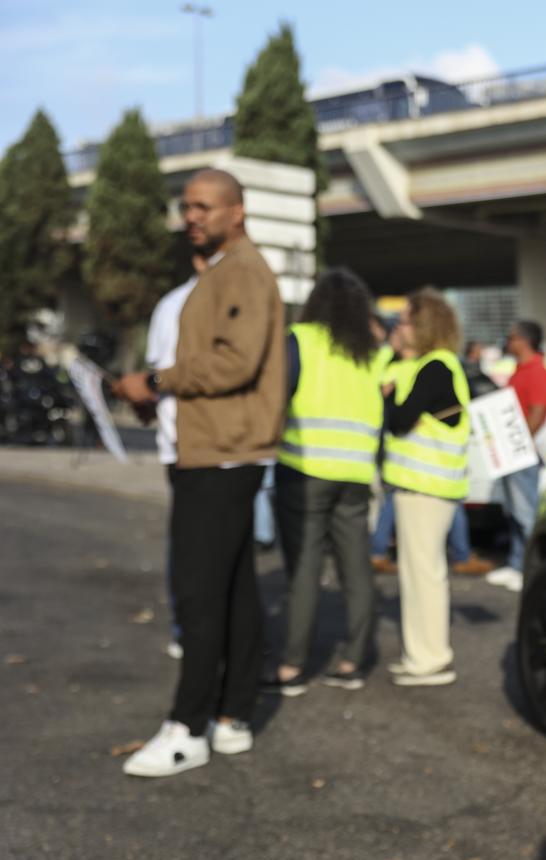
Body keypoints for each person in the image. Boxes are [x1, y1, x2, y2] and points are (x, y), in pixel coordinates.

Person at [114, 168, 287, 777]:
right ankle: (233, 716)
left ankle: (188, 728)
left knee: (199, 593)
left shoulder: (242, 271)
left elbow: (234, 361)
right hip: (216, 451)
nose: (192, 217)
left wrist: (156, 380)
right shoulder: (224, 272)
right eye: (187, 207)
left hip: (221, 455)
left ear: (236, 212)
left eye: (205, 207)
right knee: (235, 589)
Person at [263, 268, 384, 697]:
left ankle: (292, 666)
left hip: (305, 470)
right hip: (354, 475)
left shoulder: (301, 340)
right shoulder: (370, 352)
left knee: (304, 571)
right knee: (356, 568)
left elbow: (275, 395)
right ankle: (354, 659)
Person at [382, 288, 471, 686]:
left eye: (403, 321)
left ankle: (431, 658)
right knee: (418, 573)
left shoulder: (435, 366)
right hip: (423, 487)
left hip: (427, 487)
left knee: (424, 574)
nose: (397, 328)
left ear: (423, 326)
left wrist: (387, 398)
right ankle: (421, 654)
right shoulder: (433, 365)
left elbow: (399, 419)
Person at [141, 250, 209, 661]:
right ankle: (196, 630)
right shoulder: (189, 304)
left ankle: (187, 629)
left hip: (178, 442)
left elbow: (156, 375)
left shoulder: (168, 305)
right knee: (206, 546)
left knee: (186, 544)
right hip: (205, 444)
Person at [485, 319, 546, 592]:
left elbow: (536, 412)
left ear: (524, 341)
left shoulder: (536, 372)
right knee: (514, 513)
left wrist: (517, 445)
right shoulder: (522, 371)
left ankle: (531, 570)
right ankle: (516, 565)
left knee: (525, 515)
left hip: (520, 455)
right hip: (512, 453)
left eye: (511, 337)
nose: (508, 342)